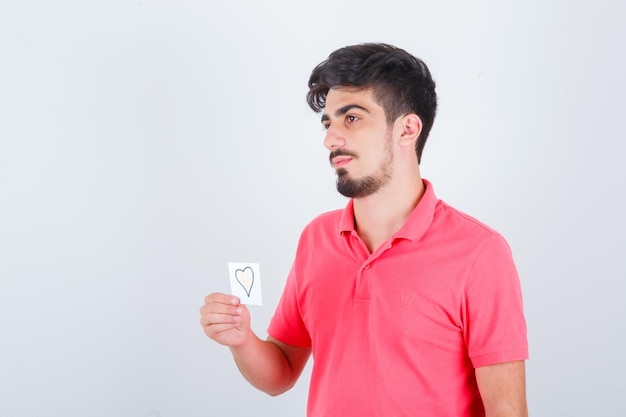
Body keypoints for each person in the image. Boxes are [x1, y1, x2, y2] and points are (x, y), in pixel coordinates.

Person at [200, 43, 528, 417]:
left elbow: (507, 409)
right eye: (328, 123)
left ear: (407, 129)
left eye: (351, 118)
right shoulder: (316, 238)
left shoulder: (480, 252)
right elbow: (281, 373)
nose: (330, 139)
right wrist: (241, 340)